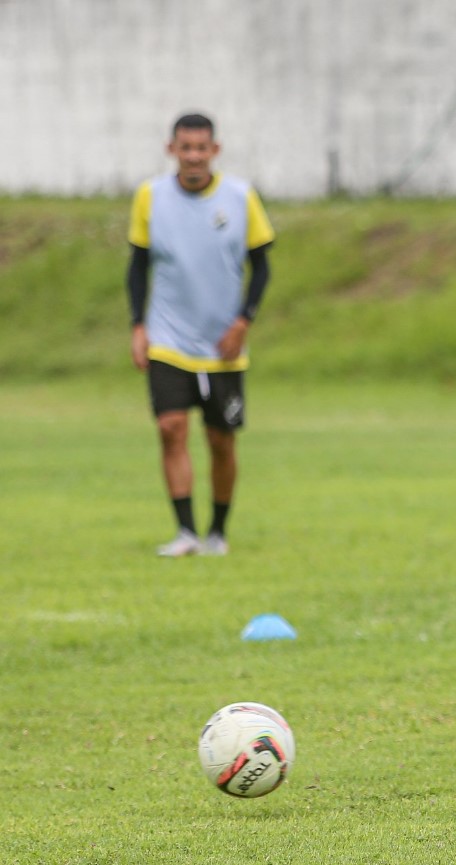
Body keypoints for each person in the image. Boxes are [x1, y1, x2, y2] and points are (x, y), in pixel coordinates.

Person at [126, 113, 275, 557]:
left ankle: (218, 533)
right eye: (185, 147)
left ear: (215, 150)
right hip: (167, 338)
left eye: (201, 147)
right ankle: (186, 532)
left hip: (222, 346)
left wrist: (243, 322)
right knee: (171, 428)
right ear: (172, 149)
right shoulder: (150, 196)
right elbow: (137, 267)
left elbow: (262, 265)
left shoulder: (240, 196)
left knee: (220, 441)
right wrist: (138, 325)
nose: (193, 156)